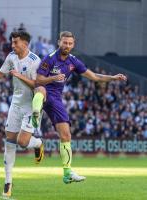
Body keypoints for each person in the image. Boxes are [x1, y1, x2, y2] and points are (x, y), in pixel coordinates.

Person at [31, 31, 127, 184]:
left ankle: (67, 172)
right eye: (64, 42)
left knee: (66, 135)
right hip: (43, 92)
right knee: (40, 91)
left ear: (73, 45)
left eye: (70, 43)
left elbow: (94, 76)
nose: (67, 45)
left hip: (56, 99)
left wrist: (113, 78)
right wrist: (54, 78)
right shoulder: (49, 59)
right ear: (59, 42)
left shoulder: (73, 61)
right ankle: (35, 114)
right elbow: (38, 79)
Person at [0, 30, 44, 197]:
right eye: (12, 42)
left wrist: (19, 76)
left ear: (25, 44)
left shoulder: (35, 61)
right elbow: (0, 74)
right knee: (10, 141)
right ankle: (8, 182)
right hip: (15, 104)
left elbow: (38, 86)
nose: (12, 45)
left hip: (31, 106)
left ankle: (38, 144)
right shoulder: (11, 57)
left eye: (15, 42)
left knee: (23, 141)